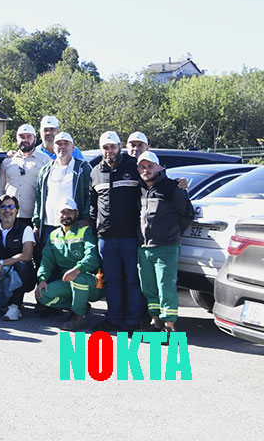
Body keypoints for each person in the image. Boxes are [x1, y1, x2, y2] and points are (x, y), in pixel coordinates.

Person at [89, 131, 144, 332]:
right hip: (106, 236)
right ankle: (113, 318)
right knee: (112, 281)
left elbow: (152, 186)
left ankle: (133, 320)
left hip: (130, 235)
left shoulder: (134, 167)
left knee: (132, 279)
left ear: (119, 146)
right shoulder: (95, 172)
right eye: (105, 147)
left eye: (112, 147)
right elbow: (93, 206)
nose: (109, 151)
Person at [136, 151, 194, 335]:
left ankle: (170, 327)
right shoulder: (139, 188)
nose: (146, 170)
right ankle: (156, 322)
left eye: (150, 166)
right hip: (144, 247)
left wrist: (172, 233)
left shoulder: (171, 187)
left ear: (159, 167)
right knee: (149, 287)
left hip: (166, 246)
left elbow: (186, 214)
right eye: (142, 167)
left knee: (166, 287)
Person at [35, 199, 102, 331]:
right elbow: (46, 261)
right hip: (68, 281)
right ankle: (79, 306)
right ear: (58, 215)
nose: (66, 215)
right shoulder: (53, 235)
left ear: (76, 213)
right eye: (63, 212)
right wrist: (42, 279)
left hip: (93, 282)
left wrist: (77, 269)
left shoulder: (85, 230)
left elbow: (93, 258)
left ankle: (79, 317)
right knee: (42, 295)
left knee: (78, 278)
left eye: (70, 212)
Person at [33, 132, 92, 269]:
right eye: (59, 144)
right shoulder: (46, 170)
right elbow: (38, 197)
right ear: (54, 148)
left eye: (66, 144)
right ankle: (49, 288)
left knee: (71, 264)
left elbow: (91, 195)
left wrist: (86, 217)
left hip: (73, 225)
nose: (62, 147)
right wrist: (37, 223)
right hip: (49, 225)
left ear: (73, 147)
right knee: (48, 263)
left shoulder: (83, 168)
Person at [0, 194, 37, 321]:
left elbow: (27, 255)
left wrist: (3, 262)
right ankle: (6, 302)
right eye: (3, 207)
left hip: (25, 277)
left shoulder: (26, 229)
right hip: (1, 275)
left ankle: (15, 306)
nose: (7, 210)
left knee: (21, 265)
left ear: (16, 210)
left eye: (11, 206)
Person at [0, 124, 51, 227]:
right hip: (9, 215)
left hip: (34, 217)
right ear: (17, 139)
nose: (25, 139)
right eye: (21, 137)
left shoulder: (45, 161)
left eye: (28, 136)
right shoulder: (8, 161)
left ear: (35, 139)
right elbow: (0, 189)